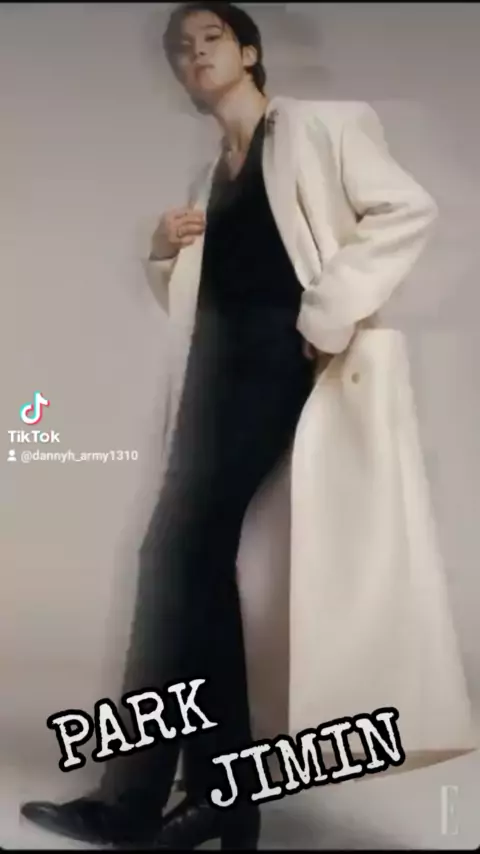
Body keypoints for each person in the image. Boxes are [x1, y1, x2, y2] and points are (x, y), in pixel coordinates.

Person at [20, 0, 448, 849]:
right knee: (190, 568)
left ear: (249, 52)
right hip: (211, 380)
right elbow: (201, 301)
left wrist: (325, 314)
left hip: (274, 368)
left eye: (210, 39)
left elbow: (409, 209)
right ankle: (221, 797)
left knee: (178, 559)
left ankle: (145, 801)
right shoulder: (208, 177)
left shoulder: (321, 127)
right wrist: (162, 252)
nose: (195, 56)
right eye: (181, 49)